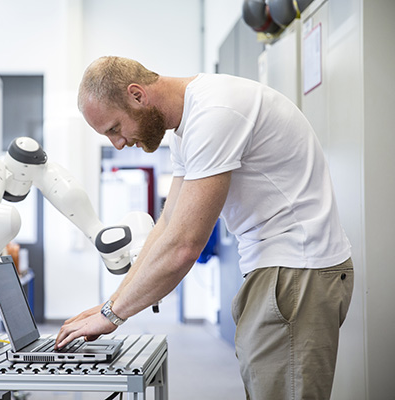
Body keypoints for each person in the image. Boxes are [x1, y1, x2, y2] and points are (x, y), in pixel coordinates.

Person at [54, 56, 354, 400]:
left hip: (296, 272)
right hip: (282, 272)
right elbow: (168, 223)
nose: (117, 144)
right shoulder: (188, 127)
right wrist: (114, 301)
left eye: (114, 129)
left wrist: (112, 315)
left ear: (137, 95)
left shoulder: (215, 112)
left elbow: (184, 245)